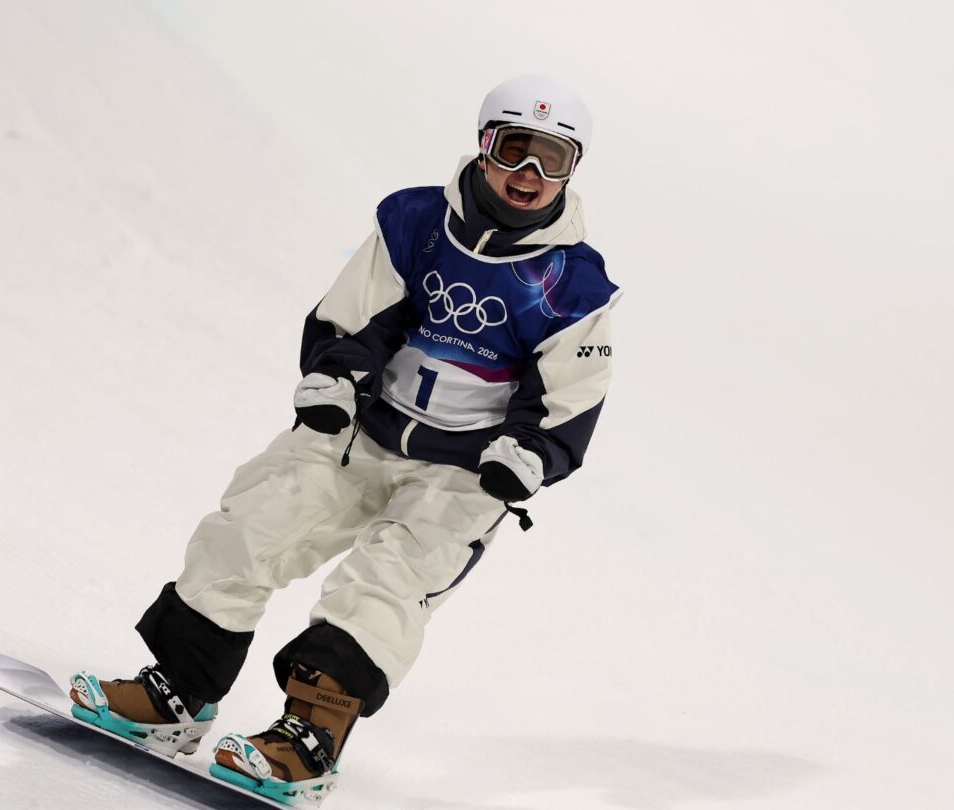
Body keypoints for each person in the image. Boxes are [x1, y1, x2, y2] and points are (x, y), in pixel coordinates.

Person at [68, 74, 621, 806]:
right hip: (368, 433)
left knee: (386, 584)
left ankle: (308, 740)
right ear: (483, 146)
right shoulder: (418, 225)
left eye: (553, 160)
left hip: (461, 473)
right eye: (515, 150)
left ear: (572, 170)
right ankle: (181, 692)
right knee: (255, 520)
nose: (530, 176)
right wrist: (336, 377)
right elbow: (357, 316)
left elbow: (568, 397)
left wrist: (529, 453)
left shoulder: (572, 284)